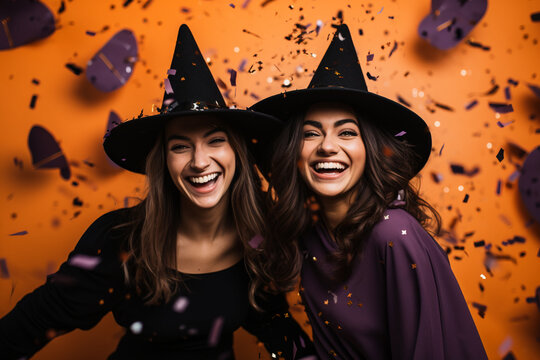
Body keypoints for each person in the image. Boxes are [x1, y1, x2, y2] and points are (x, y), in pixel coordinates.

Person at [0, 24, 315, 360]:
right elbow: (30, 325)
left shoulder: (257, 240)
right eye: (181, 147)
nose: (199, 161)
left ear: (237, 153)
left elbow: (276, 328)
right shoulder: (120, 240)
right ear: (163, 161)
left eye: (215, 141)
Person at [251, 24, 488, 359]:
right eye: (311, 134)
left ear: (370, 151)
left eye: (347, 133)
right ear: (295, 152)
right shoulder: (307, 232)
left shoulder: (395, 234)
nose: (328, 147)